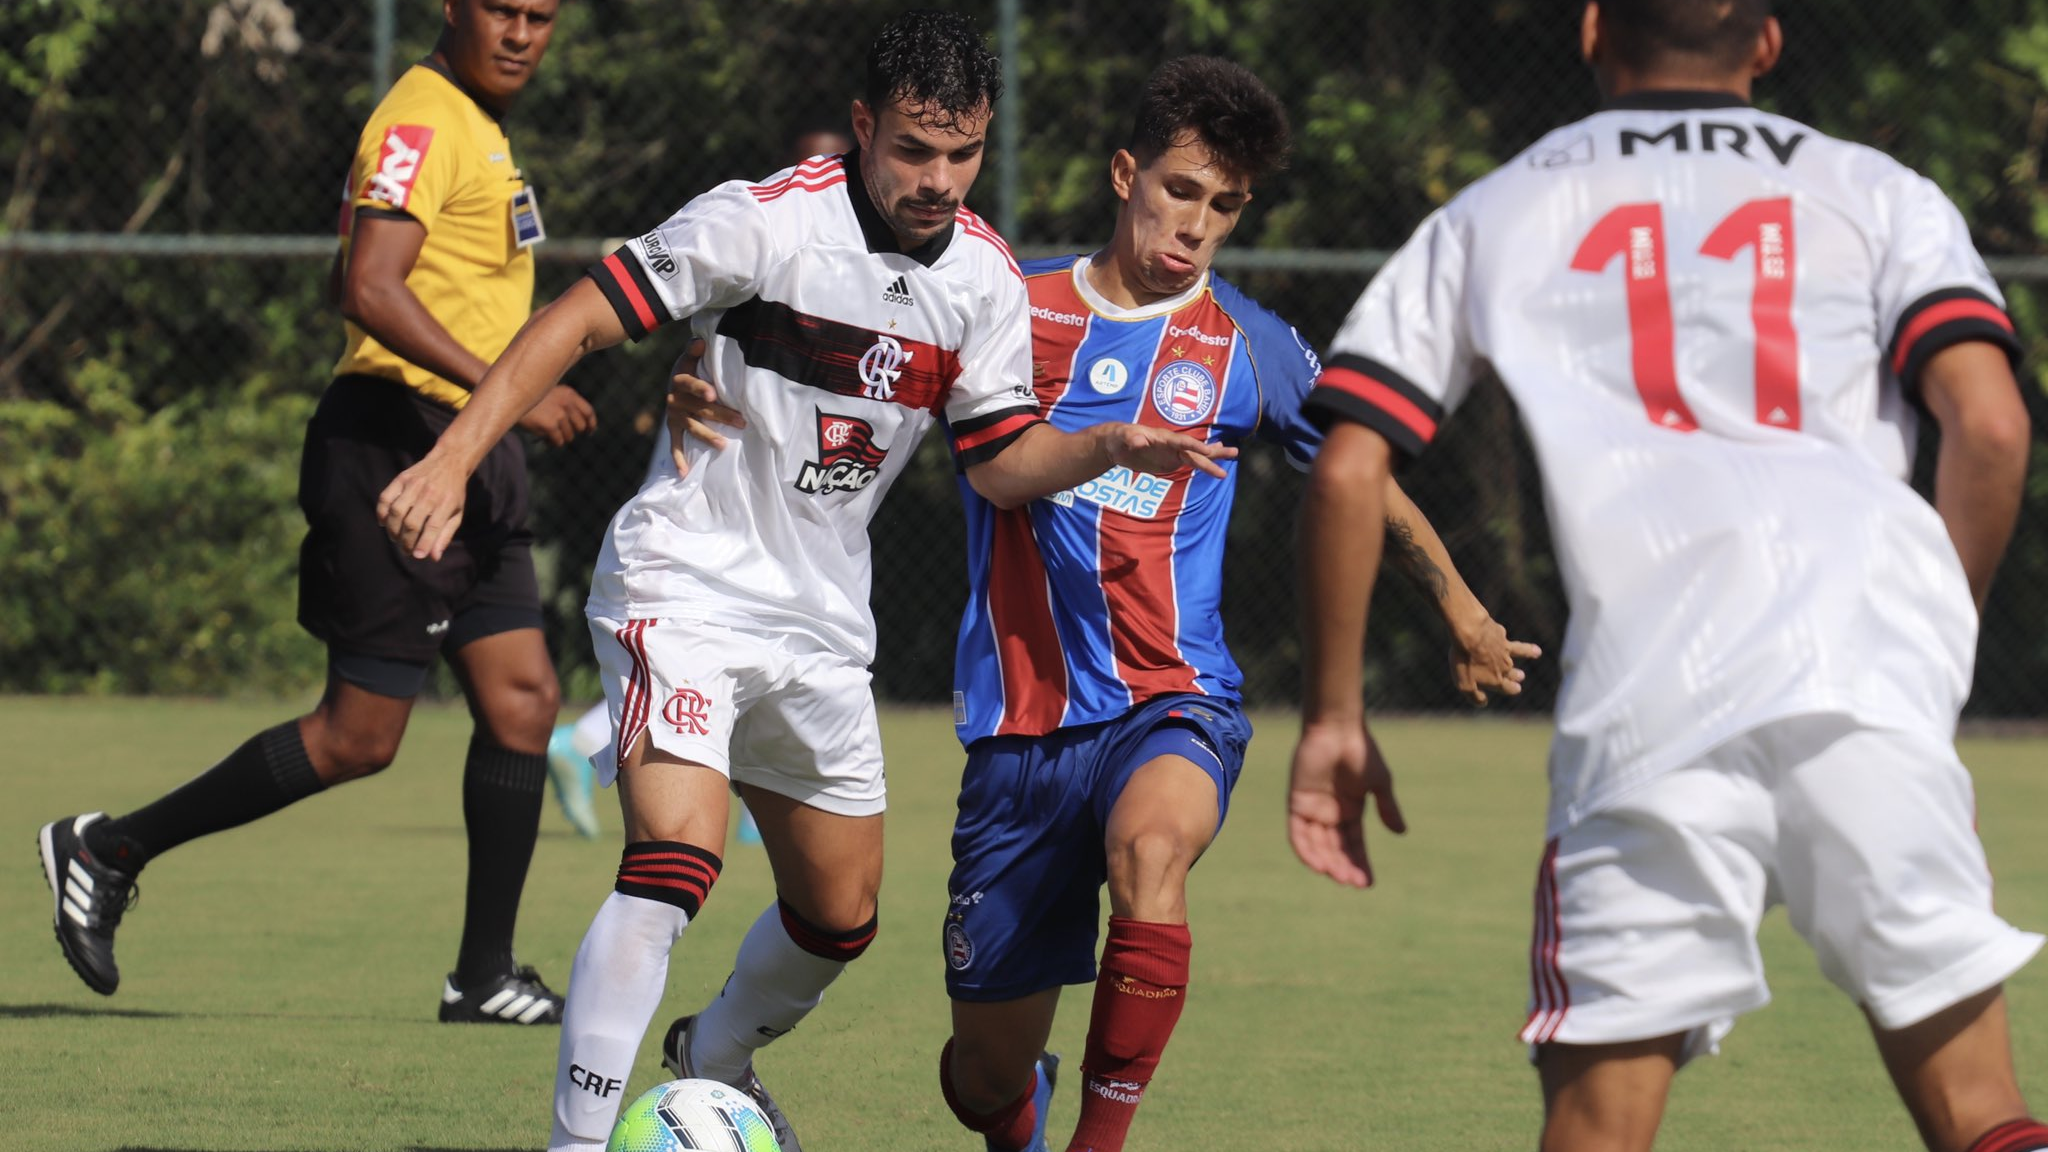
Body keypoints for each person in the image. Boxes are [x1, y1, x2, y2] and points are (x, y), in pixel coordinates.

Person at [372, 12, 1233, 1151]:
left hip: (820, 617)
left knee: (840, 914)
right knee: (675, 858)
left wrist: (1105, 447)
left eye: (963, 153)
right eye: (914, 150)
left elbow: (1002, 465)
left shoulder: (979, 277)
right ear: (864, 128)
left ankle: (711, 1058)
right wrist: (451, 456)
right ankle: (576, 1144)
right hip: (685, 578)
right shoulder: (764, 221)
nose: (937, 179)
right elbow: (581, 317)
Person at [665, 55, 1537, 1152]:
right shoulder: (1000, 302)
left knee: (1151, 855)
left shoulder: (1244, 347)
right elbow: (831, 341)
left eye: (1221, 206)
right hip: (1016, 738)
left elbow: (1361, 473)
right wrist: (703, 374)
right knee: (978, 1077)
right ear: (1125, 175)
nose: (1194, 224)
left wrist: (1457, 607)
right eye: (1179, 189)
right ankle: (1015, 1103)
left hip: (1173, 702)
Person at [1289, 2, 2042, 1149]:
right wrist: (1931, 635)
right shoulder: (1876, 190)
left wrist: (1334, 715)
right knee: (1982, 1112)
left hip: (1653, 699)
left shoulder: (1501, 205)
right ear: (1767, 43)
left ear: (1592, 32)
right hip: (1868, 678)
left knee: (1599, 1124)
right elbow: (1987, 429)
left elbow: (1346, 471)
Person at [37, 0, 587, 1025]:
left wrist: (498, 409)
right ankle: (108, 847)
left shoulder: (479, 124)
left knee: (521, 701)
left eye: (540, 16)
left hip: (472, 448)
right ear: (450, 10)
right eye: (502, 11)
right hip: (394, 440)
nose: (520, 33)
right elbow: (367, 288)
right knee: (356, 736)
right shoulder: (418, 120)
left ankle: (483, 976)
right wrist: (508, 385)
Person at [544, 124, 862, 846]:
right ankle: (595, 742)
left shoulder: (871, 280)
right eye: (813, 164)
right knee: (717, 627)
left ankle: (712, 787)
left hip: (767, 534)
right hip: (710, 509)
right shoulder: (762, 240)